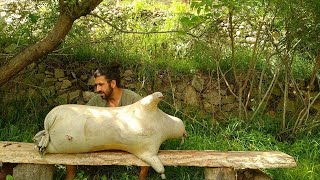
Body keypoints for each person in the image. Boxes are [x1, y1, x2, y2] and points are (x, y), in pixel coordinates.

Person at [66, 64, 150, 180]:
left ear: (113, 84)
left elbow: (149, 122)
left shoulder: (132, 99)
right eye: (96, 85)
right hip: (100, 143)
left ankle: (142, 177)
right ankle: (70, 177)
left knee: (147, 142)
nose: (97, 89)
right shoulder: (96, 100)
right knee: (71, 138)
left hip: (127, 144)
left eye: (101, 85)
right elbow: (80, 118)